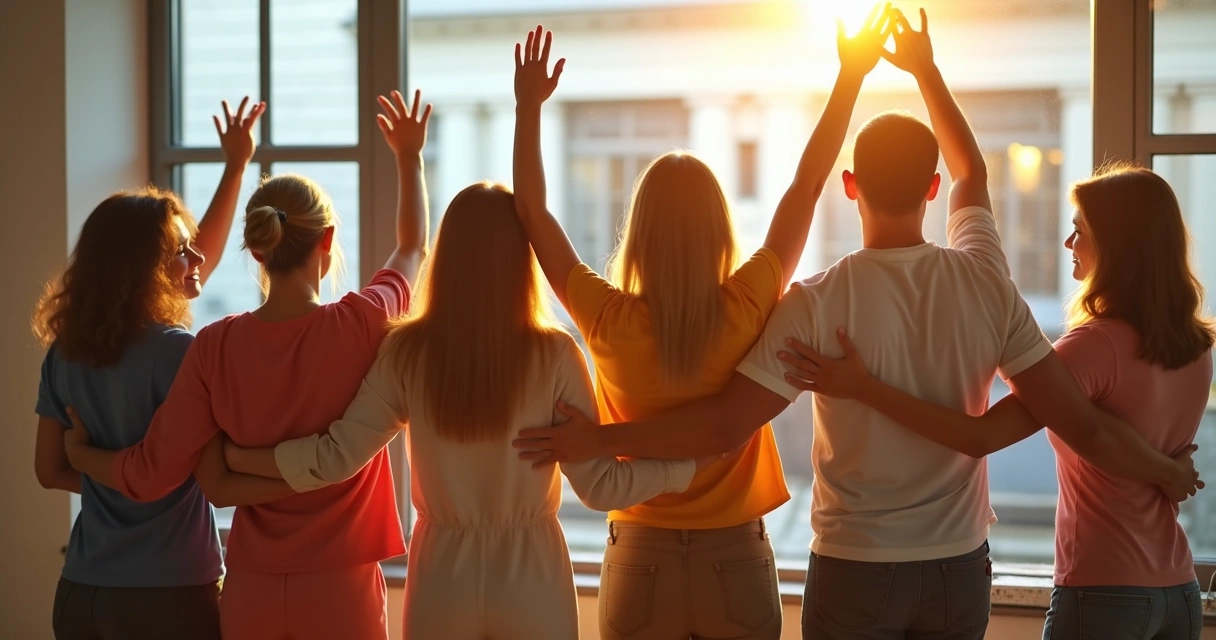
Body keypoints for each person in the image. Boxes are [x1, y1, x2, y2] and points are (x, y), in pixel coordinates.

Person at [511, 9, 1203, 640]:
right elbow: (969, 172)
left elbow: (723, 423)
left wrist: (599, 438)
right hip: (957, 563)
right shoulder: (982, 277)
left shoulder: (812, 303)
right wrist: (921, 69)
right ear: (930, 188)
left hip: (844, 563)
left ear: (853, 186)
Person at [508, 12, 893, 638]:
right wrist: (849, 76)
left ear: (640, 234)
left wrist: (528, 109)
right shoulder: (747, 304)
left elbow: (531, 212)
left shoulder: (605, 317)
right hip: (733, 553)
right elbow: (806, 183)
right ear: (718, 230)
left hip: (639, 553)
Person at [223, 180, 703, 639]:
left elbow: (335, 458)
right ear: (524, 258)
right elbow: (601, 487)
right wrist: (688, 465)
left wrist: (241, 458)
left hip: (441, 581)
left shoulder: (406, 351)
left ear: (447, 254)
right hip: (531, 577)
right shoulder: (556, 354)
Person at [778, 164, 1213, 640]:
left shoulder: (1093, 347)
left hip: (1107, 590)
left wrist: (866, 387)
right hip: (1180, 589)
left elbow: (979, 435)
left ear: (1119, 247)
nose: (1069, 244)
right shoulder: (1196, 347)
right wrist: (1168, 472)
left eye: (1079, 231)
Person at [61, 89, 432, 640]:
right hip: (340, 583)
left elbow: (169, 475)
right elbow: (412, 248)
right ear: (326, 241)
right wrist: (408, 156)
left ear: (257, 250)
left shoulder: (214, 345)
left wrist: (81, 453)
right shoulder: (363, 321)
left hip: (251, 585)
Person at [32, 98, 264, 640]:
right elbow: (202, 471)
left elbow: (49, 470)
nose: (199, 258)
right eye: (183, 251)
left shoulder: (65, 352)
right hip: (170, 597)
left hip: (84, 592)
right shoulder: (179, 352)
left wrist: (234, 168)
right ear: (149, 270)